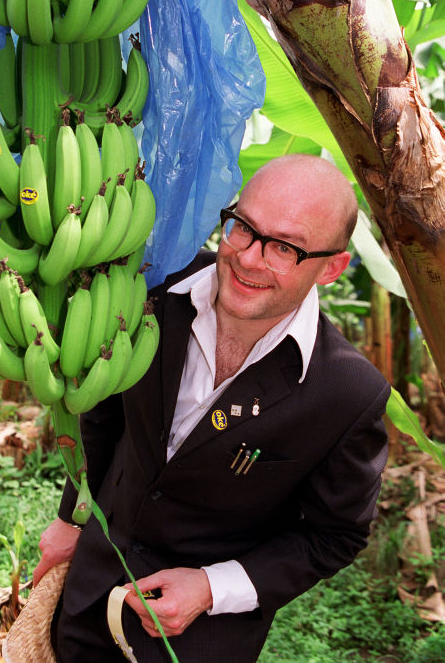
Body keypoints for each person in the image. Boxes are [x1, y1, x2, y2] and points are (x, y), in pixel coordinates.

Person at [34, 154, 390, 663]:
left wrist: (210, 588)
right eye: (243, 227)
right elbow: (102, 417)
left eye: (285, 248)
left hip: (200, 639)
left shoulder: (347, 394)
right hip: (88, 594)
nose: (247, 258)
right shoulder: (149, 291)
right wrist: (72, 518)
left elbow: (334, 536)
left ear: (332, 268)